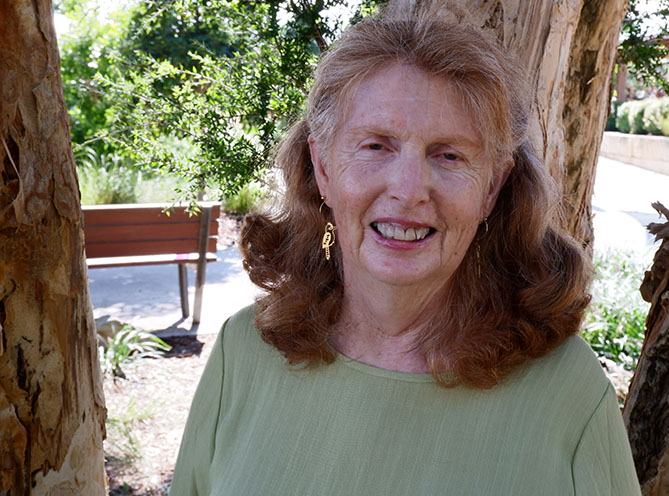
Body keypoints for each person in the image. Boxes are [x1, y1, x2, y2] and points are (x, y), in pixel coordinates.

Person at [169, 3, 641, 494]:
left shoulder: (568, 392)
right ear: (323, 169)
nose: (409, 189)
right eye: (376, 146)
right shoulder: (243, 352)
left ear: (492, 189)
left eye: (449, 155)